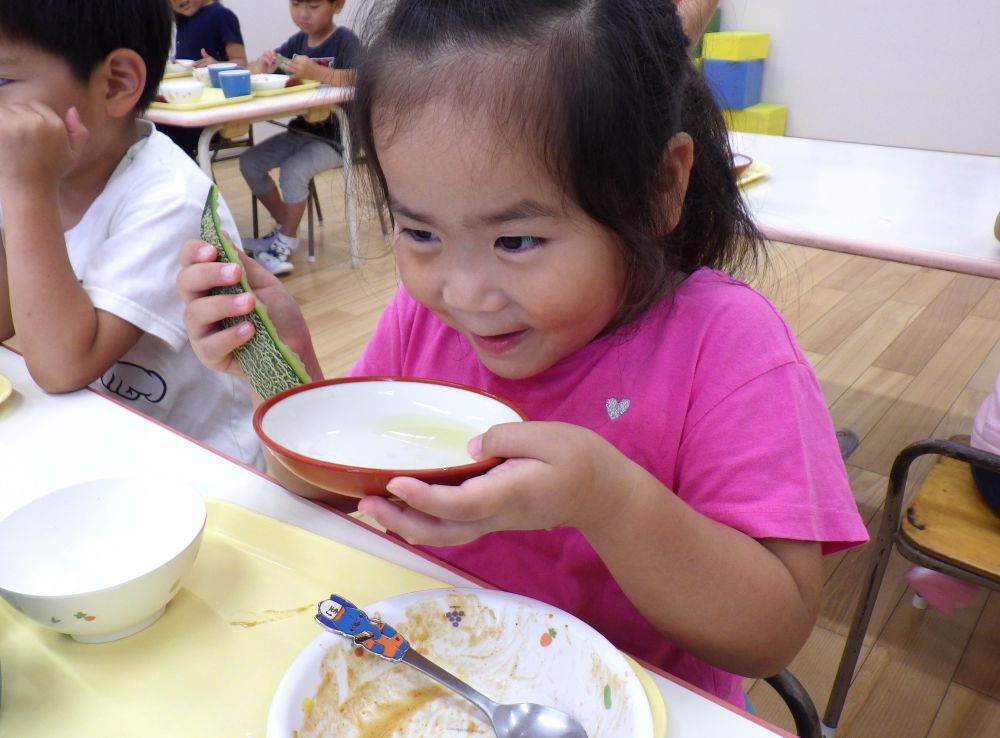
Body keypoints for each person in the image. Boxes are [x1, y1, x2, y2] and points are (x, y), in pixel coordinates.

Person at [175, 0, 868, 707]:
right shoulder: (424, 320)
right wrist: (287, 383)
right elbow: (333, 496)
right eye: (420, 233)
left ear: (661, 187)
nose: (467, 293)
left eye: (517, 241)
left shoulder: (726, 347)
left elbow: (771, 633)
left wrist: (607, 500)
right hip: (444, 689)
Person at [0, 0, 264, 471]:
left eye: (2, 81)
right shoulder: (31, 175)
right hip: (107, 442)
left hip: (206, 469)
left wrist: (26, 192)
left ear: (117, 83)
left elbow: (63, 366)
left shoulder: (170, 200)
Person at [239, 0, 362, 275]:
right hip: (302, 131)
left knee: (294, 170)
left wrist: (317, 72)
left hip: (337, 138)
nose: (303, 14)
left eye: (314, 5)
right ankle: (286, 228)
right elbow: (267, 68)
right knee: (250, 162)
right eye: (295, 4)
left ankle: (284, 241)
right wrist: (264, 65)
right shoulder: (297, 42)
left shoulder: (345, 41)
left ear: (337, 5)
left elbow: (360, 77)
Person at [161, 0, 249, 159]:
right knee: (154, 129)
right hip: (191, 108)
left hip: (215, 113)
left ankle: (196, 180)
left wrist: (217, 65)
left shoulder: (221, 15)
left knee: (164, 134)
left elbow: (242, 63)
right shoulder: (183, 19)